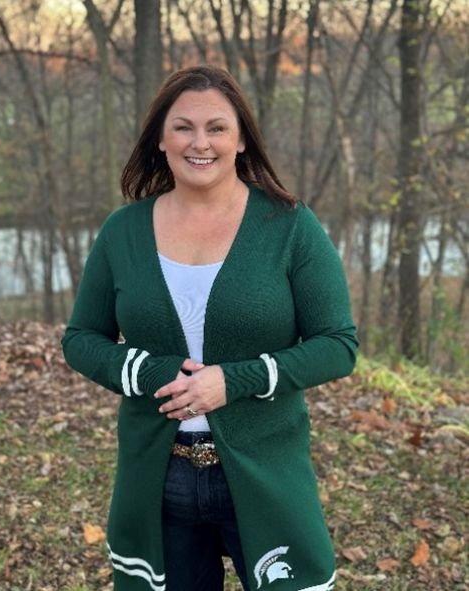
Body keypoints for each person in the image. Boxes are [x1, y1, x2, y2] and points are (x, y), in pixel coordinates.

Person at [61, 65, 358, 591]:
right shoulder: (122, 231)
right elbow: (81, 339)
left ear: (242, 139)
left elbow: (337, 345)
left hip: (265, 473)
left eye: (217, 127)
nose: (201, 142)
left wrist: (235, 380)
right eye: (184, 127)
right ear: (160, 138)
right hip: (159, 479)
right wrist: (146, 370)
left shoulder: (289, 226)